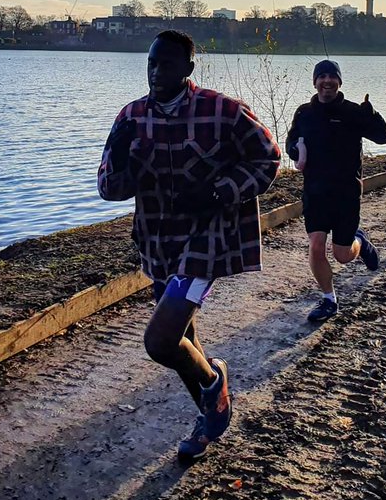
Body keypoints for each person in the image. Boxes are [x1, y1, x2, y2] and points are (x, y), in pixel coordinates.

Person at [98, 30, 281, 461]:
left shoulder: (223, 111)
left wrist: (220, 192)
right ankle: (208, 414)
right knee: (185, 340)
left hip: (206, 244)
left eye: (166, 64)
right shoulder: (130, 118)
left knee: (161, 342)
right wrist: (121, 159)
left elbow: (268, 158)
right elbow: (109, 189)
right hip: (158, 244)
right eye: (151, 64)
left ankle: (216, 384)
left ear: (188, 69)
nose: (156, 72)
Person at [284, 60, 386, 323]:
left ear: (340, 82)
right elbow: (290, 143)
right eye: (322, 76)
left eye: (332, 76)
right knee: (317, 246)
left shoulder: (353, 111)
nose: (327, 81)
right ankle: (329, 299)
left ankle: (360, 242)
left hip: (346, 193)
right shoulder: (304, 113)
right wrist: (296, 152)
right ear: (315, 82)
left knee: (342, 255)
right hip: (315, 192)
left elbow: (383, 138)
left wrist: (372, 115)